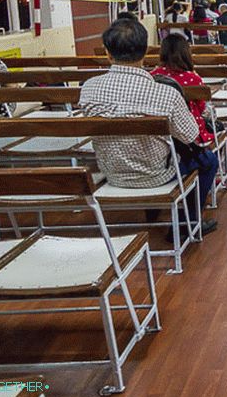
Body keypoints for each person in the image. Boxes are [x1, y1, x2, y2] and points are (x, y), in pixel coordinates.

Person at [79, 19, 218, 236]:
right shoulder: (165, 93)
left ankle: (156, 212)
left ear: (108, 53)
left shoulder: (88, 89)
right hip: (158, 175)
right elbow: (191, 135)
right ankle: (186, 225)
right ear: (145, 51)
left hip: (111, 174)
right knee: (208, 160)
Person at [151, 34, 214, 146]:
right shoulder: (192, 78)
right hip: (191, 135)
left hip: (160, 136)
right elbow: (204, 111)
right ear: (186, 53)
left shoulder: (152, 76)